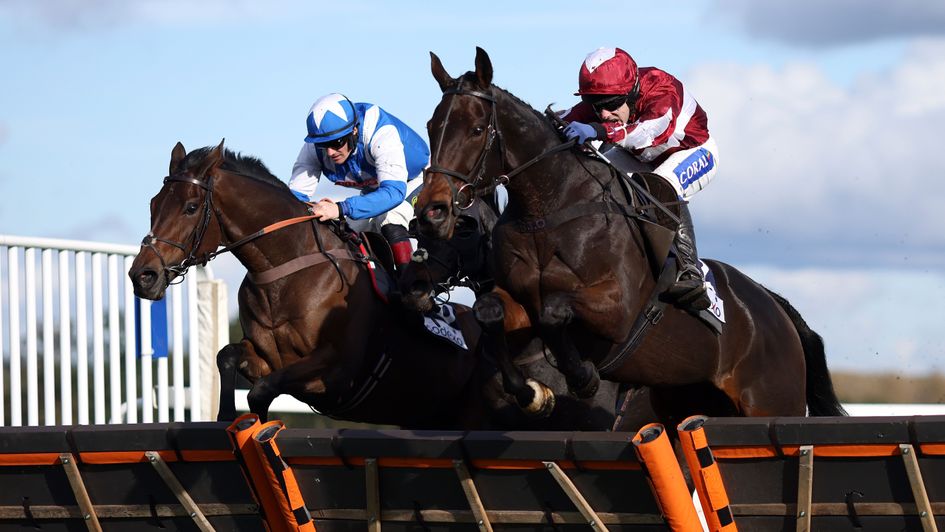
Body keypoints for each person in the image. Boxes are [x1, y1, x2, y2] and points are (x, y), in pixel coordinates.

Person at [560, 47, 719, 311]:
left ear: (631, 92)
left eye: (610, 105)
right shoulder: (608, 100)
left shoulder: (661, 88)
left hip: (694, 152)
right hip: (643, 158)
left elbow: (648, 132)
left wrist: (597, 130)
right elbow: (563, 119)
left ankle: (689, 271)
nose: (603, 114)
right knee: (596, 175)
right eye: (594, 106)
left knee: (661, 186)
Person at [289, 93, 430, 272]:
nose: (330, 152)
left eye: (336, 142)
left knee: (390, 219)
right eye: (323, 145)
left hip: (415, 179)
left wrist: (340, 208)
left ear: (354, 130)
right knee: (341, 232)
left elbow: (393, 193)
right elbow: (295, 198)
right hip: (376, 190)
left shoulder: (379, 130)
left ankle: (414, 287)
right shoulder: (314, 147)